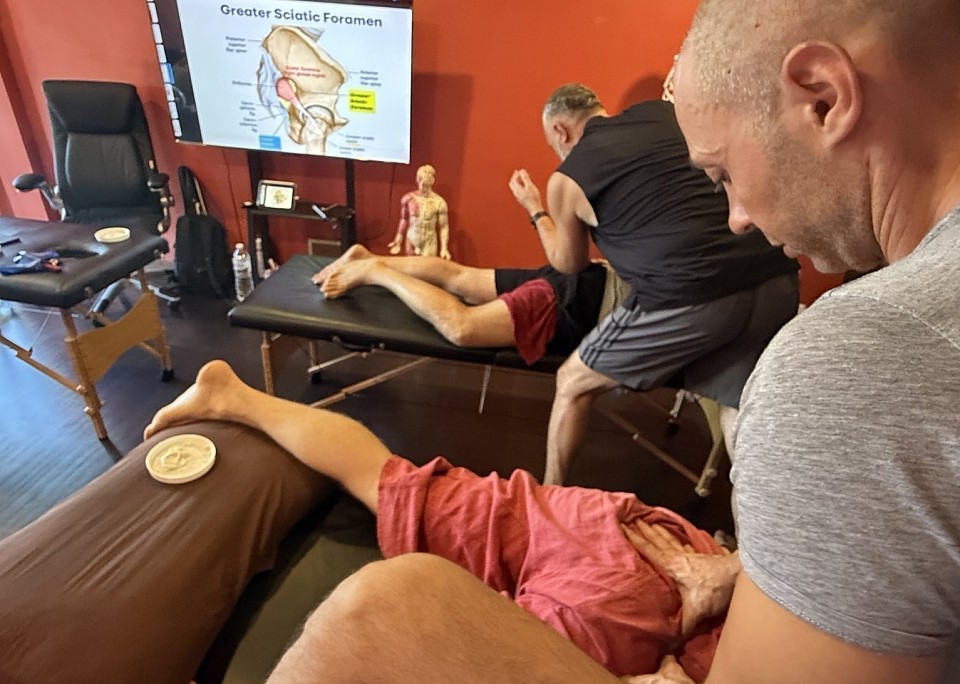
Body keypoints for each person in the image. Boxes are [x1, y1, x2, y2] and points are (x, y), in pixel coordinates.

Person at [263, 1, 960, 682]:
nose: (735, 217)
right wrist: (744, 566)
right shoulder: (659, 121)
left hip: (599, 296)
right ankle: (372, 269)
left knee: (385, 603)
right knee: (464, 282)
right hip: (739, 289)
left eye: (720, 174)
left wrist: (535, 209)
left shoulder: (854, 363)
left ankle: (542, 481)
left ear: (823, 98)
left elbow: (564, 267)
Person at [144, 360, 738, 682]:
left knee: (390, 480)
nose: (736, 215)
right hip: (654, 592)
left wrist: (729, 568)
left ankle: (232, 395)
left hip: (634, 537)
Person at [507, 83, 799, 484]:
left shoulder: (568, 177)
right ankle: (756, 523)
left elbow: (568, 263)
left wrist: (535, 209)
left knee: (572, 382)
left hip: (691, 294)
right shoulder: (664, 113)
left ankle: (546, 501)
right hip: (774, 275)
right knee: (736, 404)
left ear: (560, 130)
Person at [311, 243, 628, 365]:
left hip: (589, 276)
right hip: (579, 303)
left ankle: (370, 258)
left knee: (462, 278)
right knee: (463, 327)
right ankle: (375, 270)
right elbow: (462, 328)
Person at [388, 164, 452, 259]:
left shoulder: (439, 202)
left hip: (429, 240)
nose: (422, 184)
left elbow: (444, 227)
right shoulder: (409, 199)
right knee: (410, 265)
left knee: (427, 266)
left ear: (432, 181)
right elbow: (404, 219)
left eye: (425, 181)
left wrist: (444, 248)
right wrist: (398, 238)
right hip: (412, 237)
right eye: (420, 180)